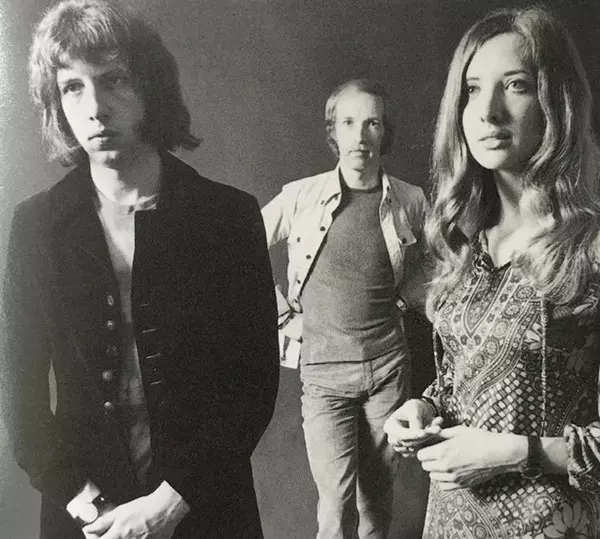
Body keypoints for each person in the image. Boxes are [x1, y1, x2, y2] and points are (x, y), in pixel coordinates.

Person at [0, 1, 279, 538]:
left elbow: (251, 385)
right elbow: (21, 404)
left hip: (207, 506)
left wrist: (166, 508)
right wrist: (93, 511)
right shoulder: (35, 227)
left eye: (114, 80)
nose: (95, 108)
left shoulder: (227, 217)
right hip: (84, 517)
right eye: (72, 87)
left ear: (149, 86)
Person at [384, 6, 600, 538]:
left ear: (556, 101)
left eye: (516, 85)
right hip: (449, 523)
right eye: (472, 90)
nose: (488, 111)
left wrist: (514, 453)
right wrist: (422, 407)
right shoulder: (463, 243)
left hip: (550, 526)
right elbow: (462, 381)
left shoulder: (590, 249)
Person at [261, 79, 430, 538]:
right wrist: (282, 316)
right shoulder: (301, 196)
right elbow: (239, 248)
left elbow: (443, 264)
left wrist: (405, 297)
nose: (360, 136)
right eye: (348, 122)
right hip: (323, 372)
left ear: (384, 132)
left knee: (376, 500)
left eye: (372, 123)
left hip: (388, 367)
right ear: (333, 131)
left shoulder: (411, 200)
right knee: (335, 506)